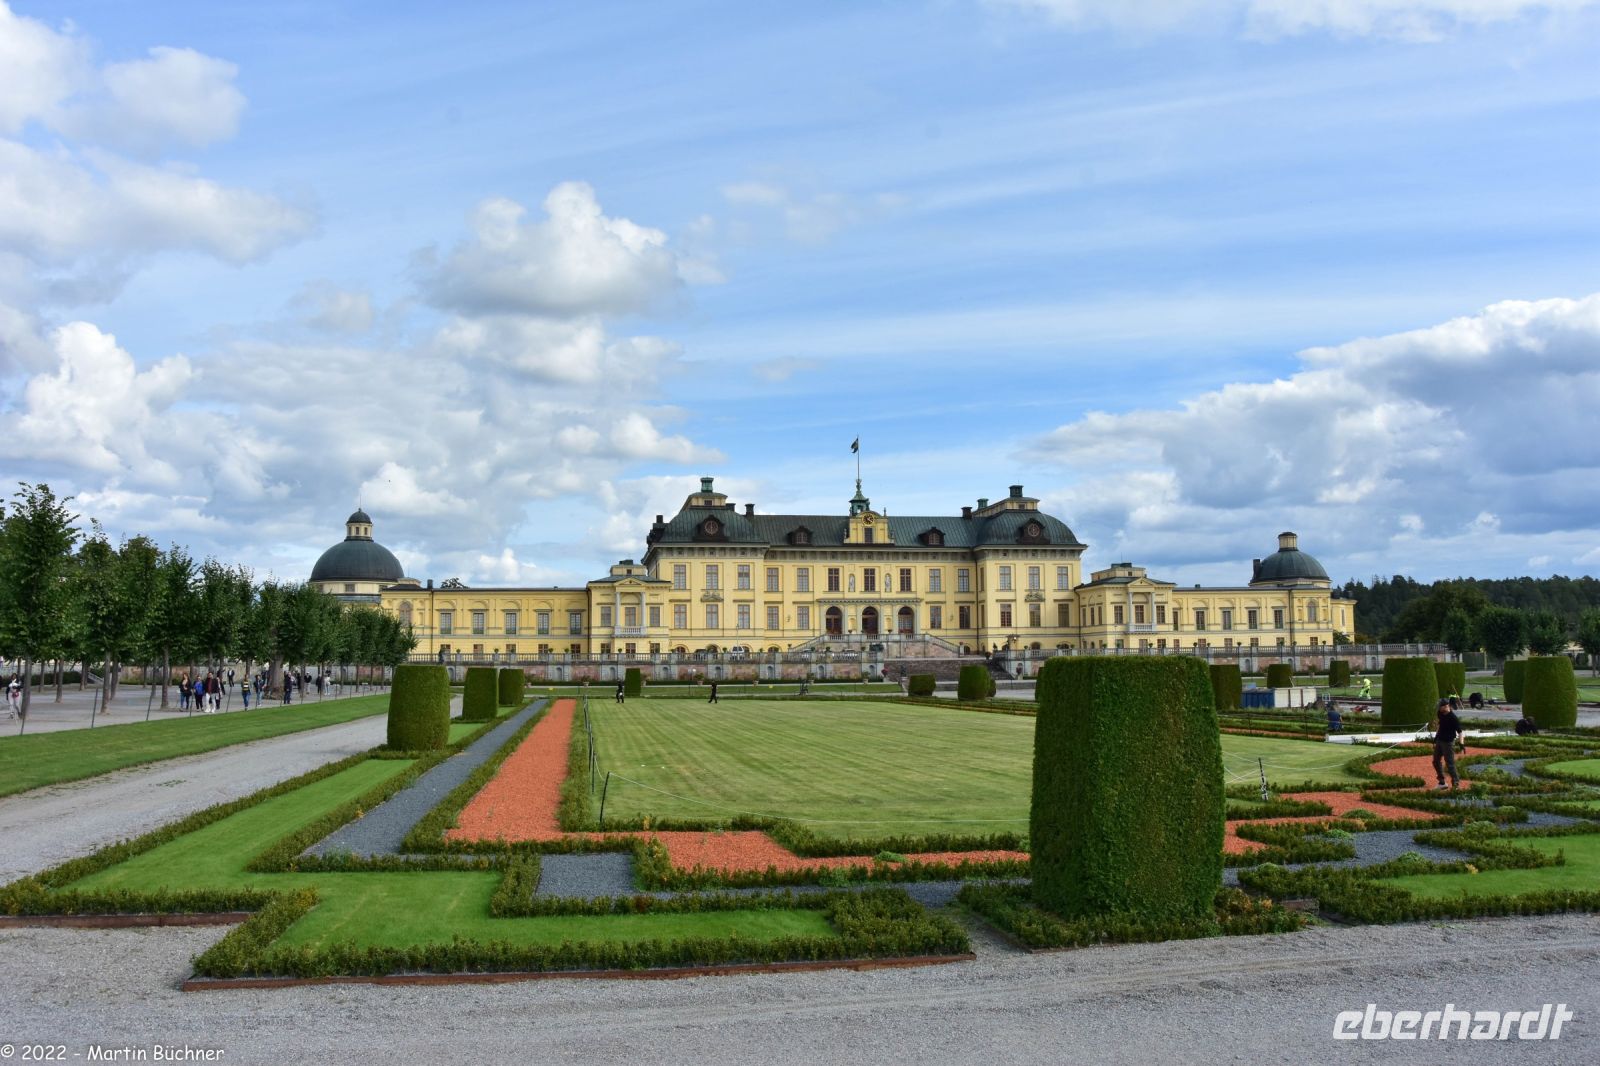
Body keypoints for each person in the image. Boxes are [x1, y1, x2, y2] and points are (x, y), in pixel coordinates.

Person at [1432, 697, 1464, 790]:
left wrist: (1461, 744)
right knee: (1435, 761)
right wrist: (1436, 737)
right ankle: (1442, 782)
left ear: (1446, 706)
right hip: (1440, 741)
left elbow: (1460, 732)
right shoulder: (1440, 713)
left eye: (1440, 707)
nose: (1439, 708)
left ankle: (1456, 784)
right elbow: (1440, 725)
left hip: (1448, 743)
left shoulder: (1453, 718)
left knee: (1450, 764)